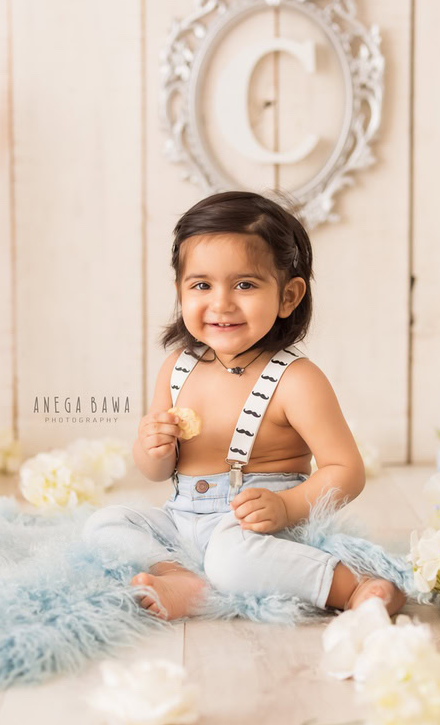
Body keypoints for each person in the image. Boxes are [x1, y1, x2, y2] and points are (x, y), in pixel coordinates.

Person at [84, 191, 406, 620]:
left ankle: (353, 586)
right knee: (104, 525)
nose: (221, 303)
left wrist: (287, 507)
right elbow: (157, 472)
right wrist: (153, 448)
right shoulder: (177, 368)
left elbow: (346, 470)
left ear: (288, 296)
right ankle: (179, 576)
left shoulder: (295, 380)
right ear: (180, 291)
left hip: (256, 526)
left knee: (234, 560)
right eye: (201, 285)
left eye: (245, 284)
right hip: (181, 519)